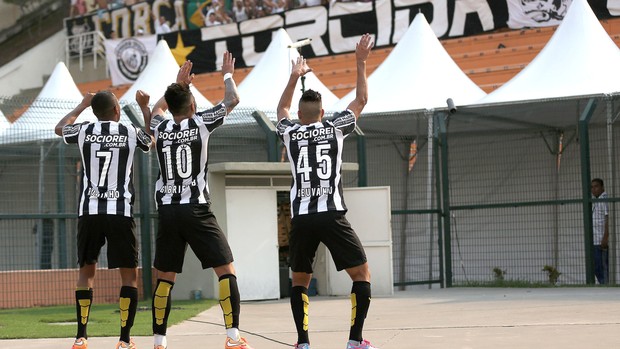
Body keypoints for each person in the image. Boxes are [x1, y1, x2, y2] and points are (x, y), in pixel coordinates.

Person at [141, 53, 253, 349]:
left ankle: (159, 341)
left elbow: (155, 109)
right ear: (192, 106)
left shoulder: (161, 128)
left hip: (167, 210)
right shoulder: (201, 122)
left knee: (164, 278)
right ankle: (232, 338)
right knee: (226, 270)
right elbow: (232, 100)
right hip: (196, 209)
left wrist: (176, 85)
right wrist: (227, 74)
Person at [276, 34, 377, 349]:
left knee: (299, 280)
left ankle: (303, 343)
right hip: (332, 213)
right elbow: (360, 100)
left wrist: (294, 77)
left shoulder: (290, 133)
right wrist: (360, 61)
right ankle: (354, 341)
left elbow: (281, 108)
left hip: (303, 217)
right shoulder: (335, 129)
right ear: (321, 113)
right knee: (361, 275)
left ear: (300, 116)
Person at [54, 90, 153, 349]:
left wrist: (81, 104)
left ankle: (81, 336)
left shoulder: (85, 130)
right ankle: (124, 339)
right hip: (119, 212)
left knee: (86, 273)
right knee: (129, 277)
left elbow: (59, 128)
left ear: (95, 111)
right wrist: (145, 108)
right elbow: (150, 141)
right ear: (117, 111)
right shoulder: (129, 131)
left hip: (89, 211)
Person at [591, 178, 609, 284]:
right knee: (596, 267)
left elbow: (608, 218)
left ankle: (605, 285)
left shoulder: (603, 200)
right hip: (595, 239)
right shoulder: (597, 200)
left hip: (600, 240)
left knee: (601, 267)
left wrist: (605, 237)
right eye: (592, 187)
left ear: (602, 187)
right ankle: (603, 284)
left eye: (596, 186)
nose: (594, 189)